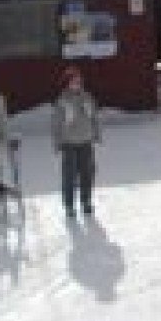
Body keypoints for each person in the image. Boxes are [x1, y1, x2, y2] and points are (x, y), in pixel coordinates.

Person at [52, 67, 100, 219]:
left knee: (87, 174)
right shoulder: (62, 100)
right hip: (69, 143)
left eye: (78, 81)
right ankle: (69, 206)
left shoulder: (87, 97)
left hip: (86, 141)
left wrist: (97, 134)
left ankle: (86, 202)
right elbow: (56, 124)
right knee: (69, 176)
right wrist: (57, 142)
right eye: (73, 81)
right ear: (67, 83)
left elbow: (94, 118)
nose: (77, 83)